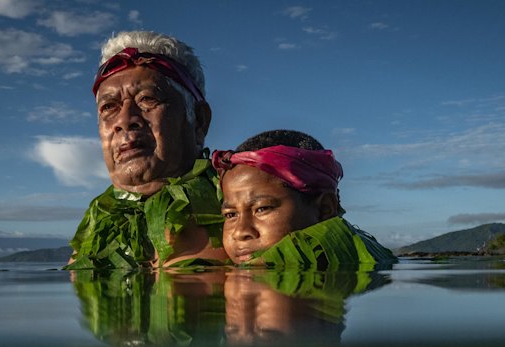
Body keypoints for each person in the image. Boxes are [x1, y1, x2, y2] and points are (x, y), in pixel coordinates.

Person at [66, 31, 227, 269]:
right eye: (109, 107)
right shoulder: (92, 238)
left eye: (148, 99)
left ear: (199, 121)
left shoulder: (244, 216)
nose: (125, 119)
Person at [212, 130, 396, 269]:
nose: (240, 232)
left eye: (262, 208)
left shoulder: (364, 268)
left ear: (325, 209)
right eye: (230, 215)